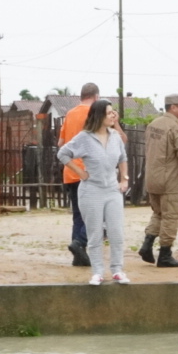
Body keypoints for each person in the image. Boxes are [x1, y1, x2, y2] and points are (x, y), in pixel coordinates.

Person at [56, 99, 131, 285]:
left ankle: (117, 269)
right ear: (99, 116)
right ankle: (97, 271)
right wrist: (81, 172)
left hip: (112, 190)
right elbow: (62, 153)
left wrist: (124, 178)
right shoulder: (85, 137)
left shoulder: (114, 136)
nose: (113, 115)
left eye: (113, 112)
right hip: (91, 191)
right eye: (109, 113)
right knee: (94, 232)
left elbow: (123, 157)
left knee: (116, 232)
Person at [138, 94, 178, 268]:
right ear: (173, 107)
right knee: (171, 216)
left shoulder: (153, 125)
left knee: (158, 213)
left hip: (152, 178)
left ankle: (147, 244)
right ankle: (165, 254)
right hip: (169, 179)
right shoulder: (177, 128)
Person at [60, 82, 98, 267]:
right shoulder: (95, 114)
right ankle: (79, 243)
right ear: (96, 96)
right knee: (96, 214)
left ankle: (78, 256)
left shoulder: (70, 114)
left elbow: (61, 142)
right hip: (88, 172)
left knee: (78, 215)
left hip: (70, 171)